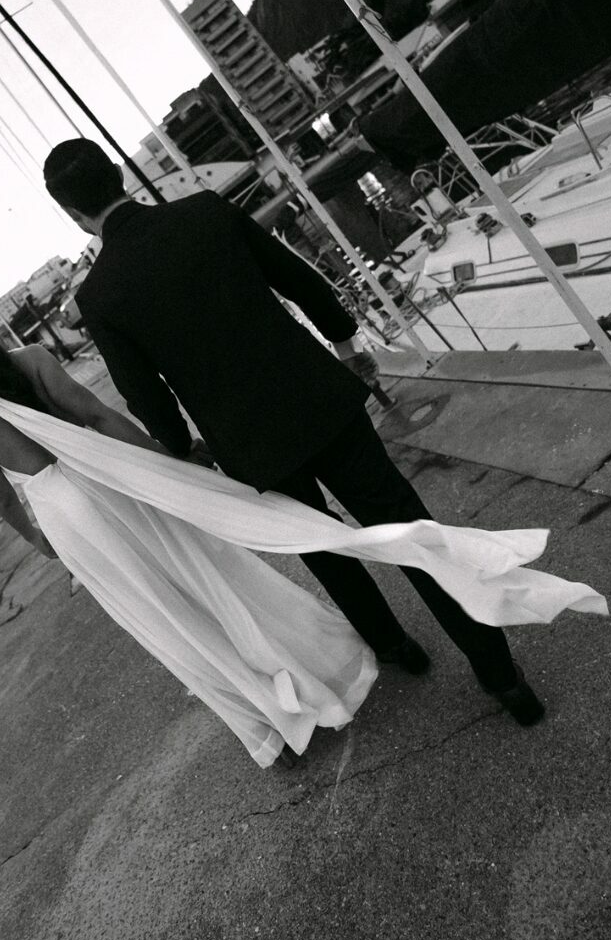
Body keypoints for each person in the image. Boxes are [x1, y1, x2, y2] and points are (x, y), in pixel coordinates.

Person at [0, 296, 605, 767]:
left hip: (71, 519)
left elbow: (4, 501)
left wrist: (51, 547)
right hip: (115, 485)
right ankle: (359, 663)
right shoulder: (33, 360)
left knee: (170, 615)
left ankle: (269, 715)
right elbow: (99, 419)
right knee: (214, 577)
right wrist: (164, 463)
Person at [42, 139, 544, 724]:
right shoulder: (206, 211)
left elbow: (146, 396)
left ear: (70, 213)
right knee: (410, 528)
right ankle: (501, 676)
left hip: (250, 444)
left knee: (324, 548)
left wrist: (182, 448)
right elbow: (300, 280)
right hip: (318, 397)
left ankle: (395, 647)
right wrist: (345, 345)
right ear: (117, 173)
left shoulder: (99, 295)